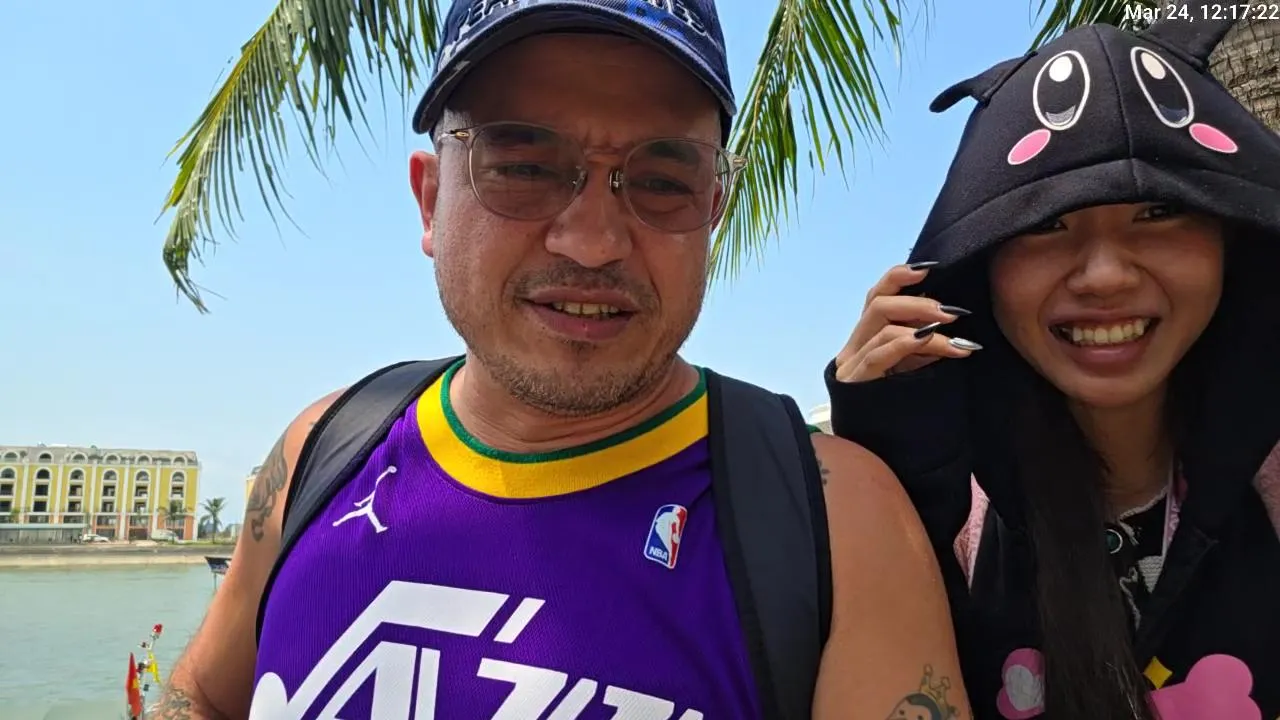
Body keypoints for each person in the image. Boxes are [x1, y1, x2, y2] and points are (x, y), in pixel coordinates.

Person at [151, 1, 971, 718]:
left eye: (662, 179)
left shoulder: (840, 524)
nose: (592, 241)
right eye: (524, 167)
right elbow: (203, 694)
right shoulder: (322, 450)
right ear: (431, 200)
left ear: (713, 208)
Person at [826, 16, 1280, 720]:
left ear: (1232, 236)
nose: (1104, 275)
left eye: (1159, 210)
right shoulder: (960, 521)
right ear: (980, 269)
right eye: (1044, 223)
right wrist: (882, 486)